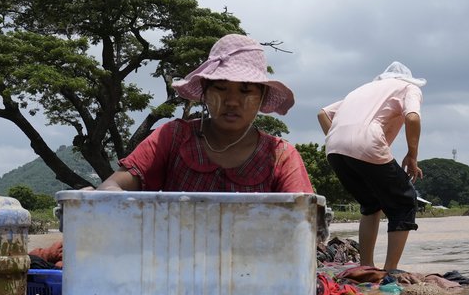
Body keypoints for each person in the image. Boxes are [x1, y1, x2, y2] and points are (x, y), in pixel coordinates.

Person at [97, 35, 315, 193]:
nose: (231, 101)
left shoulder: (281, 156)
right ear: (205, 93)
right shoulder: (173, 137)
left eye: (246, 90)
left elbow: (303, 217)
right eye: (220, 88)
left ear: (261, 97)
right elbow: (115, 183)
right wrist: (107, 193)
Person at [317, 62, 425, 277]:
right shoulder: (408, 87)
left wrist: (340, 139)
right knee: (404, 201)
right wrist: (412, 155)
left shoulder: (363, 90)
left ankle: (365, 267)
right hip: (367, 143)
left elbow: (323, 113)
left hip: (334, 148)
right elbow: (412, 117)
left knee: (371, 204)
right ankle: (391, 270)